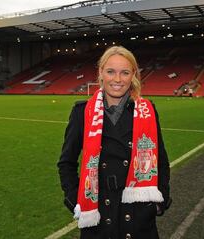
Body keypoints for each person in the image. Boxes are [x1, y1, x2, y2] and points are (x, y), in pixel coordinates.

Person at [58, 46, 171, 239]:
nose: (117, 80)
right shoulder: (82, 112)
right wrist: (75, 199)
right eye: (111, 71)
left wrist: (159, 201)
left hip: (138, 214)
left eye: (124, 72)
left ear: (133, 75)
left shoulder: (147, 110)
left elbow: (160, 160)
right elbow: (66, 162)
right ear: (101, 73)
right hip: (99, 214)